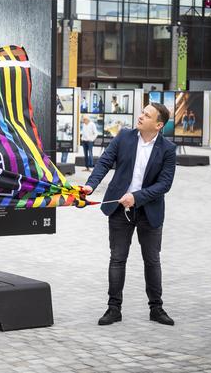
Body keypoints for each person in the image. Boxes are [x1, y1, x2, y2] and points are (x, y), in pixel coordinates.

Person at [83, 103, 176, 327]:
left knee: (152, 261)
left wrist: (137, 197)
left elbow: (164, 184)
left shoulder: (167, 149)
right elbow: (105, 161)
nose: (141, 116)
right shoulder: (124, 137)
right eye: (142, 112)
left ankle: (157, 308)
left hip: (149, 212)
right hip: (119, 210)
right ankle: (113, 309)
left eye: (147, 115)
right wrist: (90, 186)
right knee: (117, 259)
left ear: (159, 124)